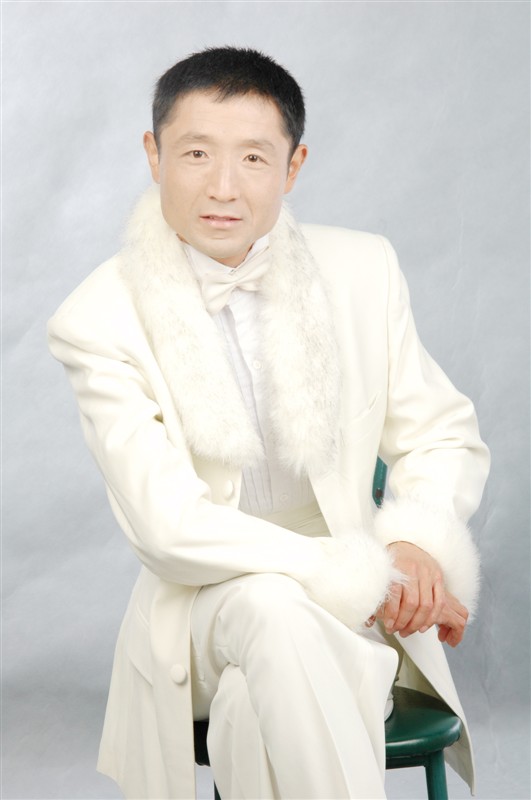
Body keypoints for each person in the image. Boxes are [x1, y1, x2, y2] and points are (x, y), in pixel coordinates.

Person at [48, 46, 490, 800]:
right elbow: (167, 527)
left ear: (292, 166)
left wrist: (414, 541)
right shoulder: (97, 317)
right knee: (270, 603)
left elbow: (440, 433)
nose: (223, 187)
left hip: (350, 619)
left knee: (253, 711)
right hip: (202, 609)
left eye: (253, 158)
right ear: (154, 155)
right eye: (196, 153)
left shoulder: (363, 270)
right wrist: (357, 573)